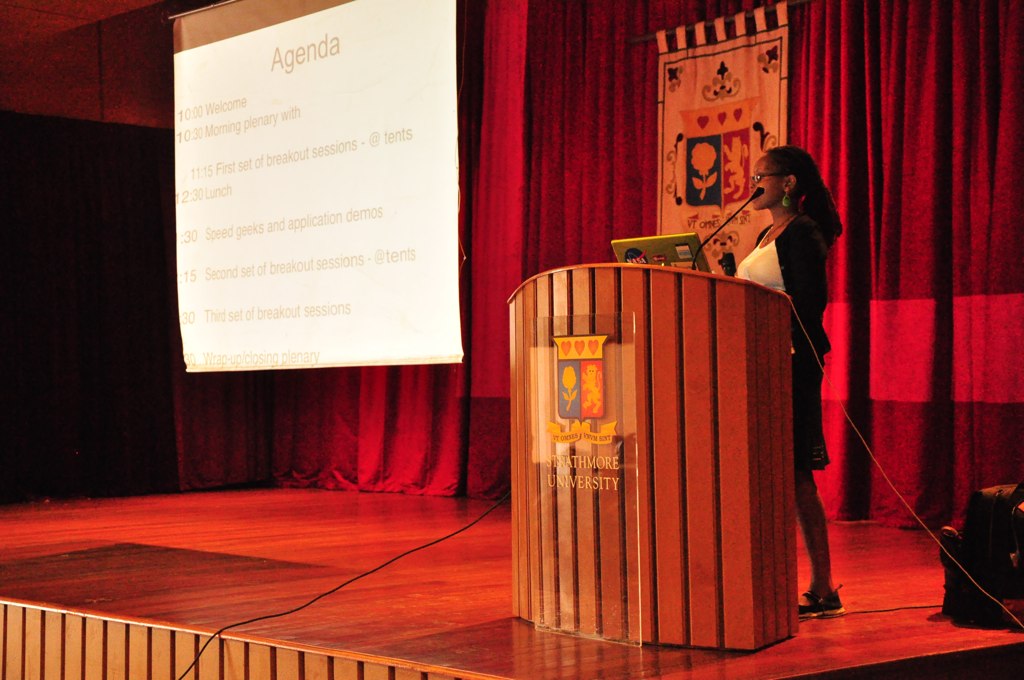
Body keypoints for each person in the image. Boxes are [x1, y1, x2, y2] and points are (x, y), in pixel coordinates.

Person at [737, 145, 845, 619]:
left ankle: (823, 588)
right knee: (770, 471)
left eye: (762, 175)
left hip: (790, 362)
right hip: (756, 362)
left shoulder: (803, 232)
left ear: (789, 183)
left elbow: (807, 303)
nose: (753, 184)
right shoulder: (766, 233)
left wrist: (769, 325)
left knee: (795, 471)